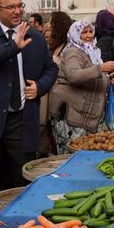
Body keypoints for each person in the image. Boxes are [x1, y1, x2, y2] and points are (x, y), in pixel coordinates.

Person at [0, 0, 58, 212]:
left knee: (21, 180)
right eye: (11, 7)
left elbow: (51, 68)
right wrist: (12, 47)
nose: (18, 11)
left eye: (20, 6)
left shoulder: (34, 38)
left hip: (22, 119)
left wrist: (40, 86)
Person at [48, 20, 114, 154]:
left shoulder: (92, 52)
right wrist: (101, 69)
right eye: (84, 32)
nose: (89, 35)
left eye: (90, 31)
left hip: (83, 114)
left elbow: (91, 76)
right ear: (75, 34)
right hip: (71, 115)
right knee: (70, 156)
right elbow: (73, 75)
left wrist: (109, 79)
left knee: (82, 154)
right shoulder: (72, 52)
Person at [39, 11, 72, 157]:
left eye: (51, 25)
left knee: (59, 139)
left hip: (61, 104)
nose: (48, 28)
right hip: (53, 99)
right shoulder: (54, 47)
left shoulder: (66, 50)